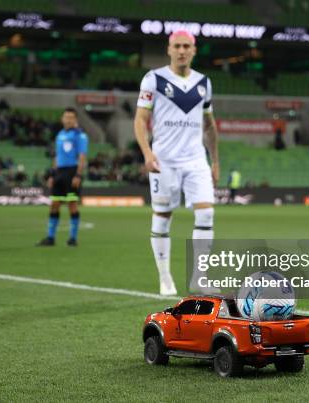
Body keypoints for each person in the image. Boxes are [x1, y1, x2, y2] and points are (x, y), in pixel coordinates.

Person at [134, 30, 219, 296]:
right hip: (164, 161)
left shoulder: (204, 82)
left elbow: (209, 125)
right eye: (176, 46)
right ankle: (165, 276)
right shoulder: (154, 79)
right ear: (169, 49)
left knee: (206, 213)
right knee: (162, 217)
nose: (181, 51)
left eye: (186, 46)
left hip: (196, 160)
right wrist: (147, 153)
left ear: (194, 50)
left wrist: (215, 160)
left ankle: (199, 279)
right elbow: (140, 120)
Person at [37, 108, 88, 246]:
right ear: (62, 119)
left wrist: (78, 174)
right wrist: (52, 175)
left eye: (71, 117)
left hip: (72, 172)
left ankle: (72, 238)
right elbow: (57, 156)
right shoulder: (59, 135)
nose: (68, 119)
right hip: (59, 172)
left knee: (72, 204)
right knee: (54, 204)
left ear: (75, 119)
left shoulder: (80, 135)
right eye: (66, 117)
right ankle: (50, 238)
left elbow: (82, 156)